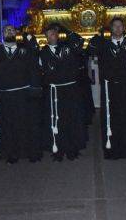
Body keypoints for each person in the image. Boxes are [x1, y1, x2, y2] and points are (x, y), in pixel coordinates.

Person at [0, 25, 43, 164]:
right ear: (2, 35)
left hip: (24, 95)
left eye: (11, 30)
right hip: (6, 96)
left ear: (16, 33)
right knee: (9, 126)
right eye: (6, 30)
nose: (9, 32)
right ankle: (12, 153)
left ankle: (30, 152)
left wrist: (34, 88)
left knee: (27, 124)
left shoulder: (25, 50)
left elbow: (33, 69)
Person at [88, 18, 126, 159]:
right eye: (115, 26)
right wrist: (99, 34)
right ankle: (114, 150)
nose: (118, 28)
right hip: (110, 87)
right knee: (112, 119)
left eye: (120, 26)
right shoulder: (104, 44)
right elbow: (90, 48)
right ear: (111, 29)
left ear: (123, 28)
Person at [39, 26, 87, 161]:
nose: (51, 37)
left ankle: (72, 148)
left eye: (53, 34)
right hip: (54, 91)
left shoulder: (69, 48)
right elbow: (42, 70)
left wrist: (67, 30)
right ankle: (57, 148)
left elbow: (79, 43)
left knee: (72, 119)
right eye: (48, 35)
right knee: (56, 120)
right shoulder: (43, 52)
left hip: (70, 90)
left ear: (58, 35)